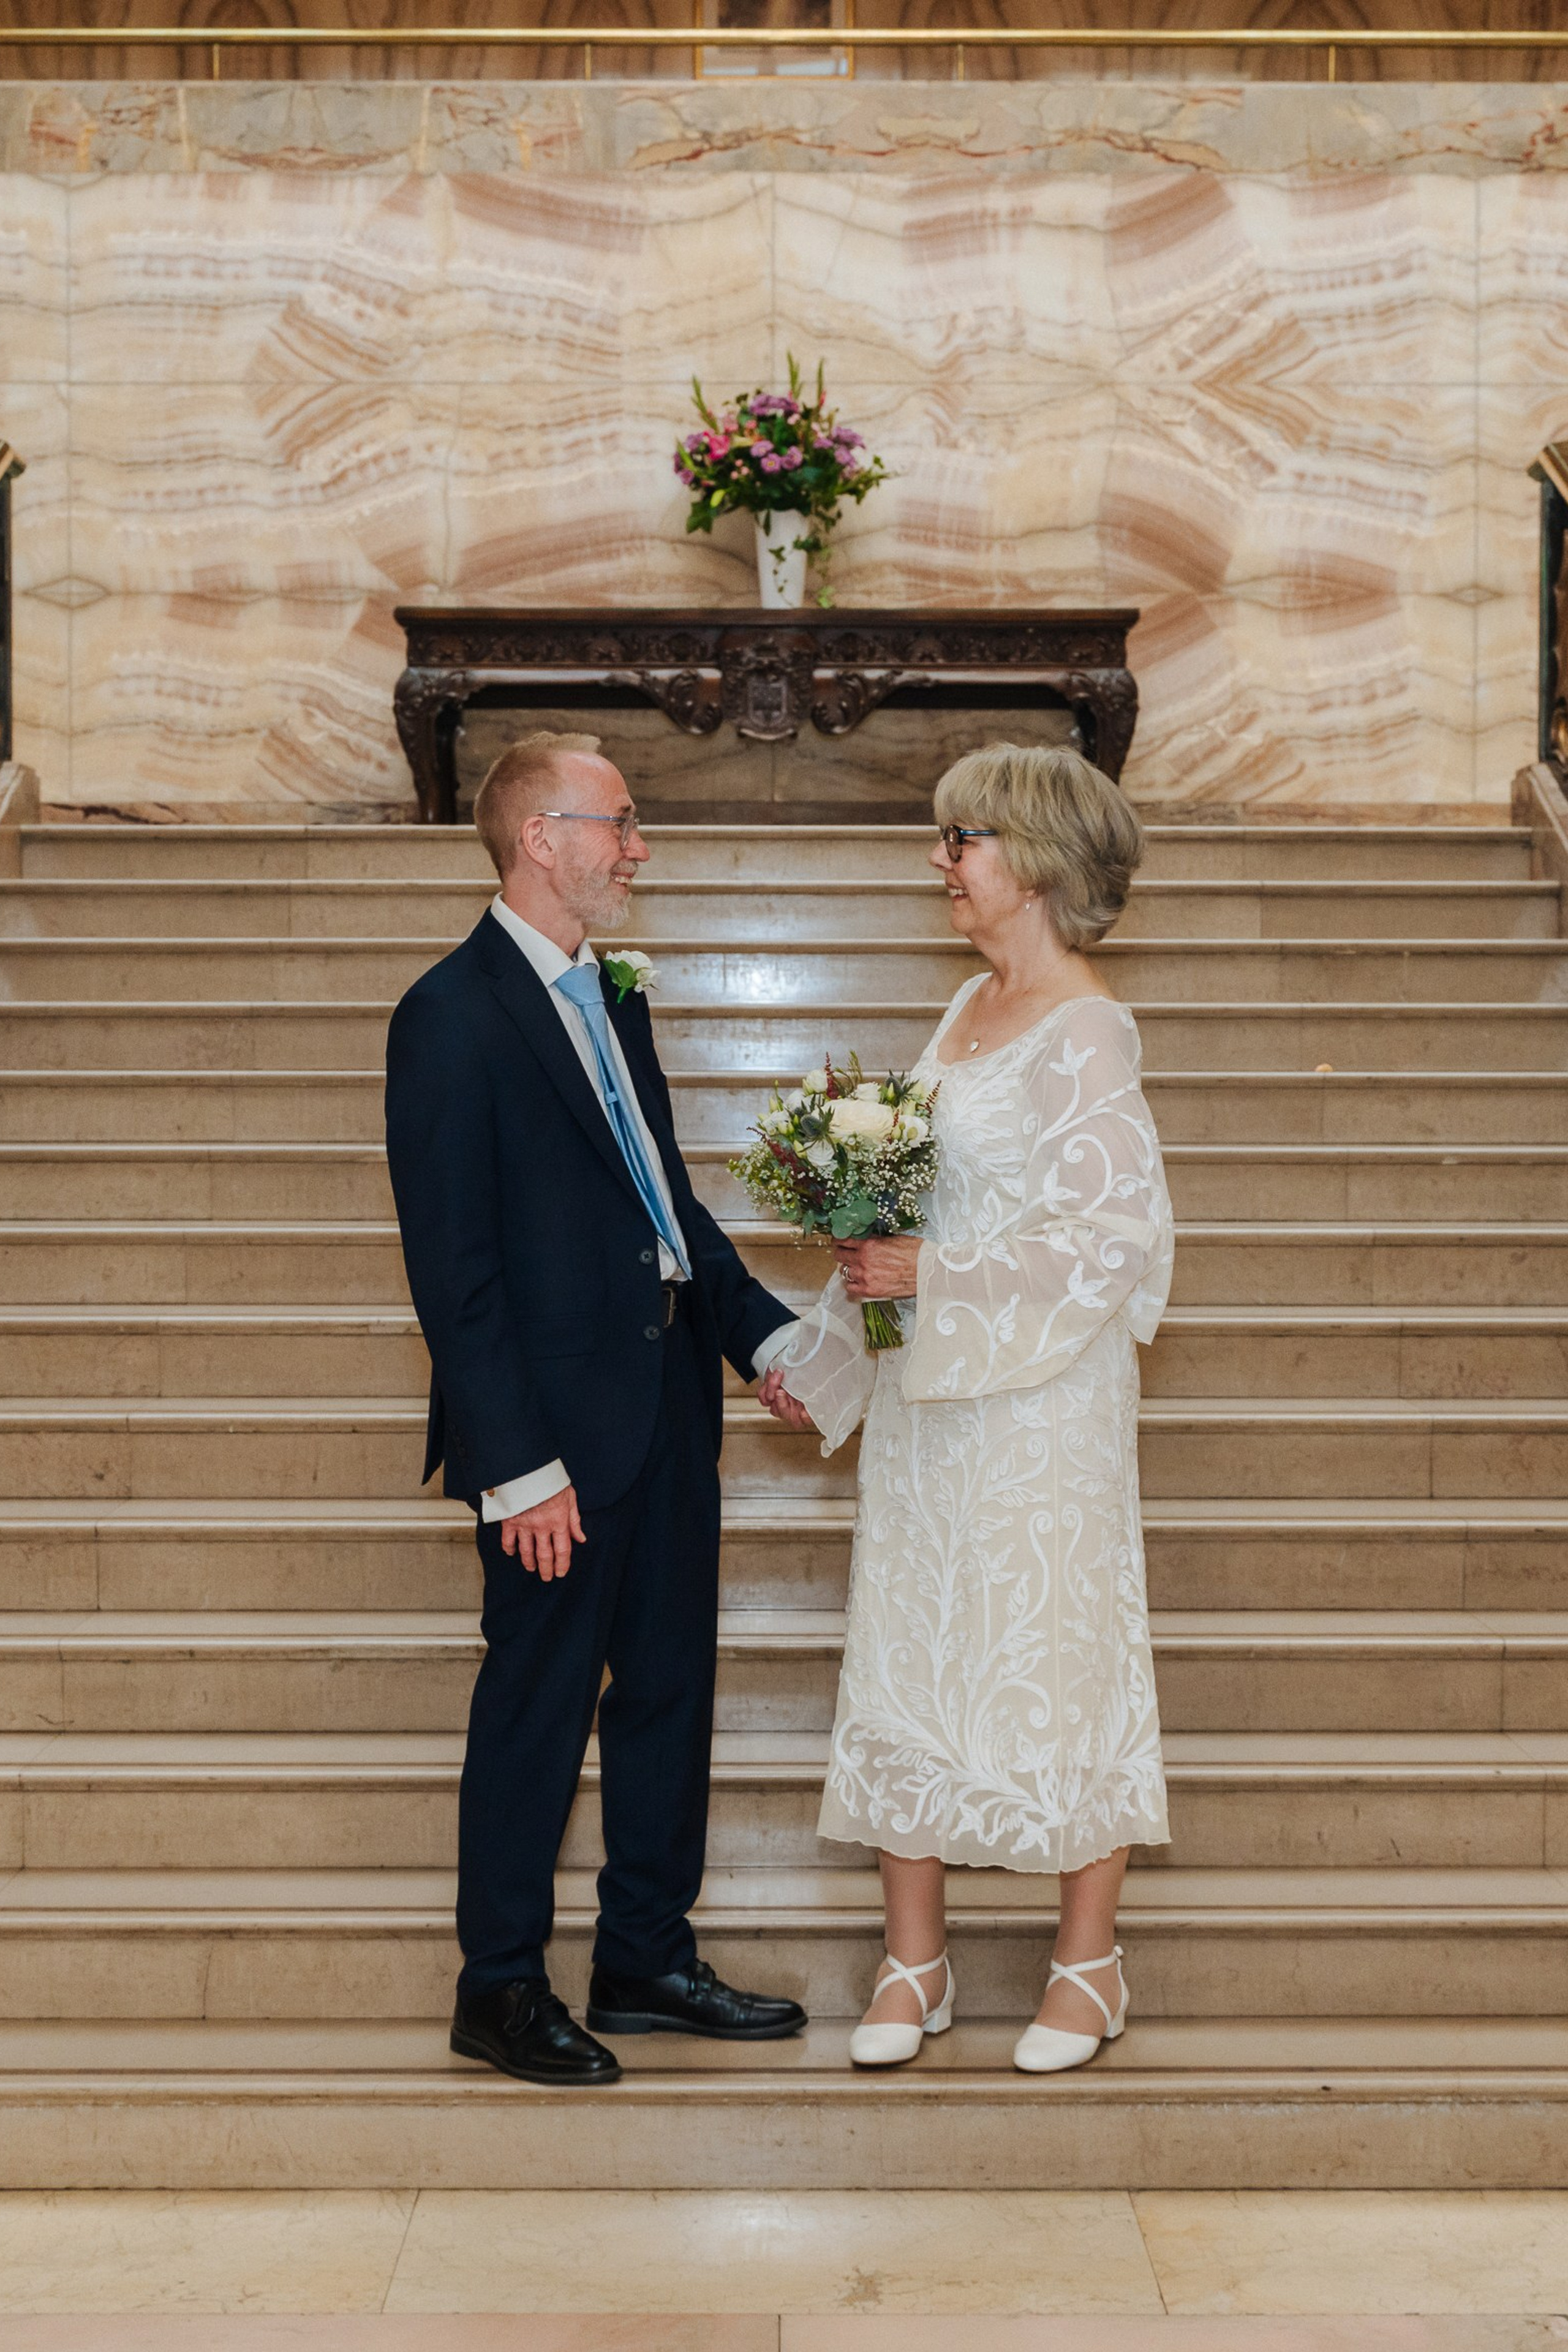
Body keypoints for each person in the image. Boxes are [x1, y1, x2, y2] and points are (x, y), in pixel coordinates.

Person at [386, 729, 807, 2087]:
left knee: (667, 1693)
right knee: (537, 1705)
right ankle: (497, 1985)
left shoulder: (609, 998)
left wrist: (762, 1344)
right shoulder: (449, 1016)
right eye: (616, 823)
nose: (635, 847)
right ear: (538, 838)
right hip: (554, 1443)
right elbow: (455, 1276)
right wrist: (518, 1468)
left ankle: (642, 1957)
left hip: (666, 1407)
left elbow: (663, 1206)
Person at [759, 742, 1174, 2074]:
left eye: (961, 842)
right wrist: (824, 1349)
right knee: (913, 1646)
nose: (940, 863)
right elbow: (907, 1218)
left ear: (1036, 863)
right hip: (934, 1402)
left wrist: (933, 1268)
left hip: (1043, 1405)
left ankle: (1087, 1967)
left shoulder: (1086, 1030)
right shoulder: (960, 1010)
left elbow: (1110, 1237)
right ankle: (914, 1964)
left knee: (1053, 1650)